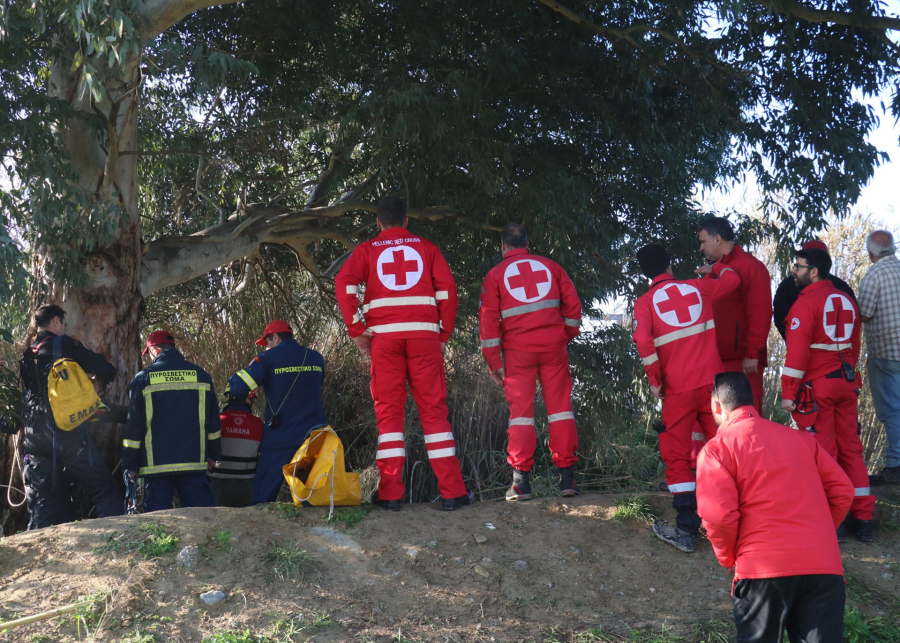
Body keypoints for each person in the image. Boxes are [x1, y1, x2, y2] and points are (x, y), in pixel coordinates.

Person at [335, 195, 470, 511]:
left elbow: (344, 283)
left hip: (384, 341)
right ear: (407, 221)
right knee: (434, 413)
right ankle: (452, 493)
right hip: (425, 338)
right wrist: (443, 334)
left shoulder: (367, 250)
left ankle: (391, 494)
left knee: (389, 417)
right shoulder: (427, 248)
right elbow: (448, 292)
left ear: (378, 222)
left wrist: (357, 330)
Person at [697, 371, 854, 643]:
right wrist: (819, 536)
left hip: (761, 569)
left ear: (715, 406)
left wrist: (727, 556)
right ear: (752, 403)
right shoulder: (804, 441)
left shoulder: (717, 449)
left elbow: (719, 515)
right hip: (823, 568)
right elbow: (843, 491)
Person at [632, 244, 740, 552]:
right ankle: (737, 523)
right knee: (724, 451)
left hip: (677, 389)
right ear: (670, 263)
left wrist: (654, 380)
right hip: (713, 387)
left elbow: (643, 340)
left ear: (644, 272)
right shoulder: (698, 288)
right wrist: (717, 268)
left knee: (676, 455)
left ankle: (685, 530)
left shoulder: (645, 303)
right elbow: (732, 282)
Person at [478, 222, 582, 500]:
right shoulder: (552, 268)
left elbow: (488, 322)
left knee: (521, 414)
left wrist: (493, 360)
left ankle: (520, 483)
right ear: (527, 242)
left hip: (517, 352)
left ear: (503, 246)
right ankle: (567, 481)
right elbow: (573, 308)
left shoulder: (495, 275)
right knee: (561, 409)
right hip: (553, 349)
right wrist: (564, 336)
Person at [781, 248, 875, 541]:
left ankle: (833, 520)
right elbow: (855, 348)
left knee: (824, 452)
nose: (793, 271)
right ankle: (864, 519)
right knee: (851, 448)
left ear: (814, 271)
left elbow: (797, 355)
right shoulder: (847, 300)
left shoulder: (806, 304)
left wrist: (788, 393)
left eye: (798, 266)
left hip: (817, 386)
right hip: (847, 382)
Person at [20, 304, 122, 529]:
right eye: (64, 324)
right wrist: (91, 379)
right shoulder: (65, 344)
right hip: (67, 434)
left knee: (44, 501)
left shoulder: (28, 353)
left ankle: (36, 554)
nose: (65, 329)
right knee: (104, 488)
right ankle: (116, 540)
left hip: (34, 436)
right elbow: (107, 369)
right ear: (56, 322)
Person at [228, 320, 329, 504]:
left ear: (275, 337)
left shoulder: (267, 359)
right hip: (315, 433)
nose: (266, 348)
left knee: (264, 491)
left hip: (281, 433)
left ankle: (259, 523)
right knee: (311, 488)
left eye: (267, 343)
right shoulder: (316, 358)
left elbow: (237, 388)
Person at [122, 331, 221, 512]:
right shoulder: (202, 376)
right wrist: (213, 454)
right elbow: (213, 421)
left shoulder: (143, 379)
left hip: (156, 465)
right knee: (204, 518)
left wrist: (131, 464)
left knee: (158, 523)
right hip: (193, 460)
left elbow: (134, 426)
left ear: (155, 351)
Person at [696, 217, 772, 411]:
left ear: (718, 239)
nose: (701, 248)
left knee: (746, 422)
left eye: (703, 242)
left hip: (744, 362)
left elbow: (760, 312)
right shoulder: (711, 271)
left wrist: (752, 352)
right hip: (713, 362)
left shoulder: (750, 267)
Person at [858, 229, 900, 485]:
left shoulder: (875, 274)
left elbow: (863, 313)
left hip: (886, 352)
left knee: (892, 411)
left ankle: (895, 465)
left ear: (871, 251)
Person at [773, 240, 857, 340]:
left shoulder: (842, 287)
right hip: (838, 350)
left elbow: (854, 319)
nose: (794, 270)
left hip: (808, 348)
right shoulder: (842, 287)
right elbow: (780, 316)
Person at [208, 390, 263, 507]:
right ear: (248, 399)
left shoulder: (215, 420)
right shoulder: (258, 424)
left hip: (217, 485)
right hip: (247, 486)